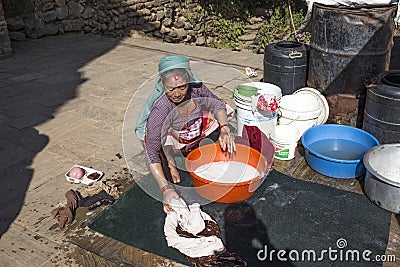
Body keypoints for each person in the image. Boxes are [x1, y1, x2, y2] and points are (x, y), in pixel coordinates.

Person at [135, 55, 235, 214]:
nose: (177, 94)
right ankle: (170, 162)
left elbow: (216, 104)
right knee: (157, 146)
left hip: (189, 127)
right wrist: (165, 189)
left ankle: (192, 145)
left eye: (182, 87)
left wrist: (224, 128)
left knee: (224, 108)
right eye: (171, 88)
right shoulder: (161, 110)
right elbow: (151, 150)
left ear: (189, 81)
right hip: (169, 134)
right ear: (162, 84)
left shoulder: (197, 90)